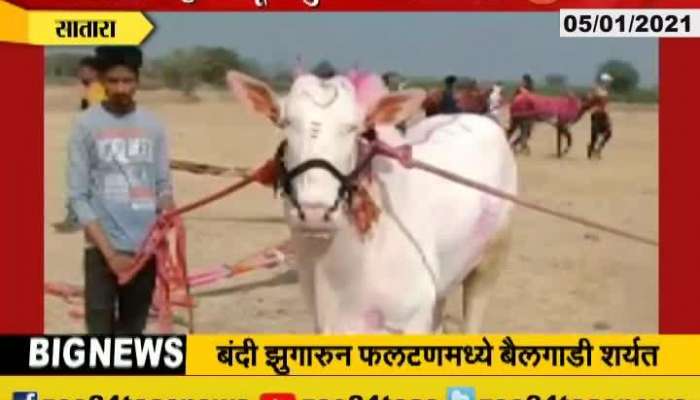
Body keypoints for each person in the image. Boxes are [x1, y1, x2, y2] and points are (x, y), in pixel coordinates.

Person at [67, 46, 175, 334]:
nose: (120, 88)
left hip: (145, 250)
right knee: (99, 332)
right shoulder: (84, 125)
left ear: (137, 82)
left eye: (127, 81)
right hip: (102, 251)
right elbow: (78, 197)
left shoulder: (153, 126)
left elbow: (163, 184)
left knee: (133, 331)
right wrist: (111, 254)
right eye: (113, 81)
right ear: (102, 81)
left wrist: (167, 207)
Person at [54, 57, 109, 234]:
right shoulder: (93, 89)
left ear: (94, 72)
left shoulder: (96, 91)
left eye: (83, 70)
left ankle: (75, 219)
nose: (80, 74)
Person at [587, 72, 614, 159]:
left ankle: (598, 149)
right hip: (596, 114)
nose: (609, 83)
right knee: (595, 136)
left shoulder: (606, 90)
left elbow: (605, 104)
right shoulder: (596, 89)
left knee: (608, 133)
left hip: (604, 114)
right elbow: (590, 99)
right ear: (604, 81)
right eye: (608, 81)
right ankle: (592, 149)